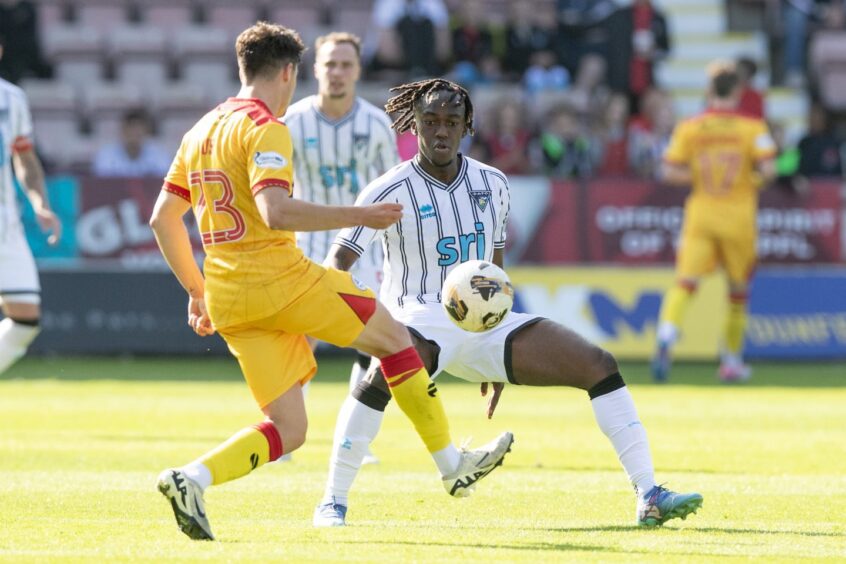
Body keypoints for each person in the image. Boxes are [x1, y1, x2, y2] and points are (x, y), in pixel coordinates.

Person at [149, 23, 513, 542]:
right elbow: (275, 213)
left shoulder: (201, 130)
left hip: (229, 298)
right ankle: (452, 463)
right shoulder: (265, 127)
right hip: (282, 280)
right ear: (289, 72)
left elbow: (163, 220)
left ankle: (192, 478)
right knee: (395, 339)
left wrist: (196, 290)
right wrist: (360, 213)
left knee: (291, 431)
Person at [313, 78, 702, 529]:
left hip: (487, 327)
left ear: (467, 127)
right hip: (417, 316)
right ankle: (332, 501)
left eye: (451, 122)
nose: (440, 131)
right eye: (430, 121)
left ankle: (649, 493)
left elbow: (494, 273)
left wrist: (498, 341)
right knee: (386, 372)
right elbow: (337, 263)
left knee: (599, 362)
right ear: (413, 124)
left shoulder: (492, 183)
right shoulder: (387, 190)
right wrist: (364, 320)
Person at [283, 31, 401, 463]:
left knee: (373, 343)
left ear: (358, 70)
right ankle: (285, 434)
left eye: (345, 64)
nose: (337, 72)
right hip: (307, 248)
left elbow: (392, 191)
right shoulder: (291, 122)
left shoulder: (375, 123)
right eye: (329, 64)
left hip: (363, 252)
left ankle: (355, 438)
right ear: (315, 70)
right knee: (300, 343)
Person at [653, 61, 777, 383]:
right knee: (737, 291)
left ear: (709, 91)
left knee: (685, 283)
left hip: (702, 215)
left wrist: (697, 172)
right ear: (738, 90)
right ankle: (731, 362)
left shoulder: (690, 128)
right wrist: (750, 178)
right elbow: (769, 171)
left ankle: (667, 335)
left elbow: (667, 171)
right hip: (738, 218)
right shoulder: (754, 129)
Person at [0, 36, 62, 377]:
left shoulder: (11, 98)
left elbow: (23, 157)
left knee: (25, 320)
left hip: (5, 228)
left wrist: (39, 202)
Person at [91, 108, 171, 178]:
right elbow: (101, 186)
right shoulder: (106, 156)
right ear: (122, 131)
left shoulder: (159, 156)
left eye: (138, 131)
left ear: (146, 132)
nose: (134, 134)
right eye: (130, 129)